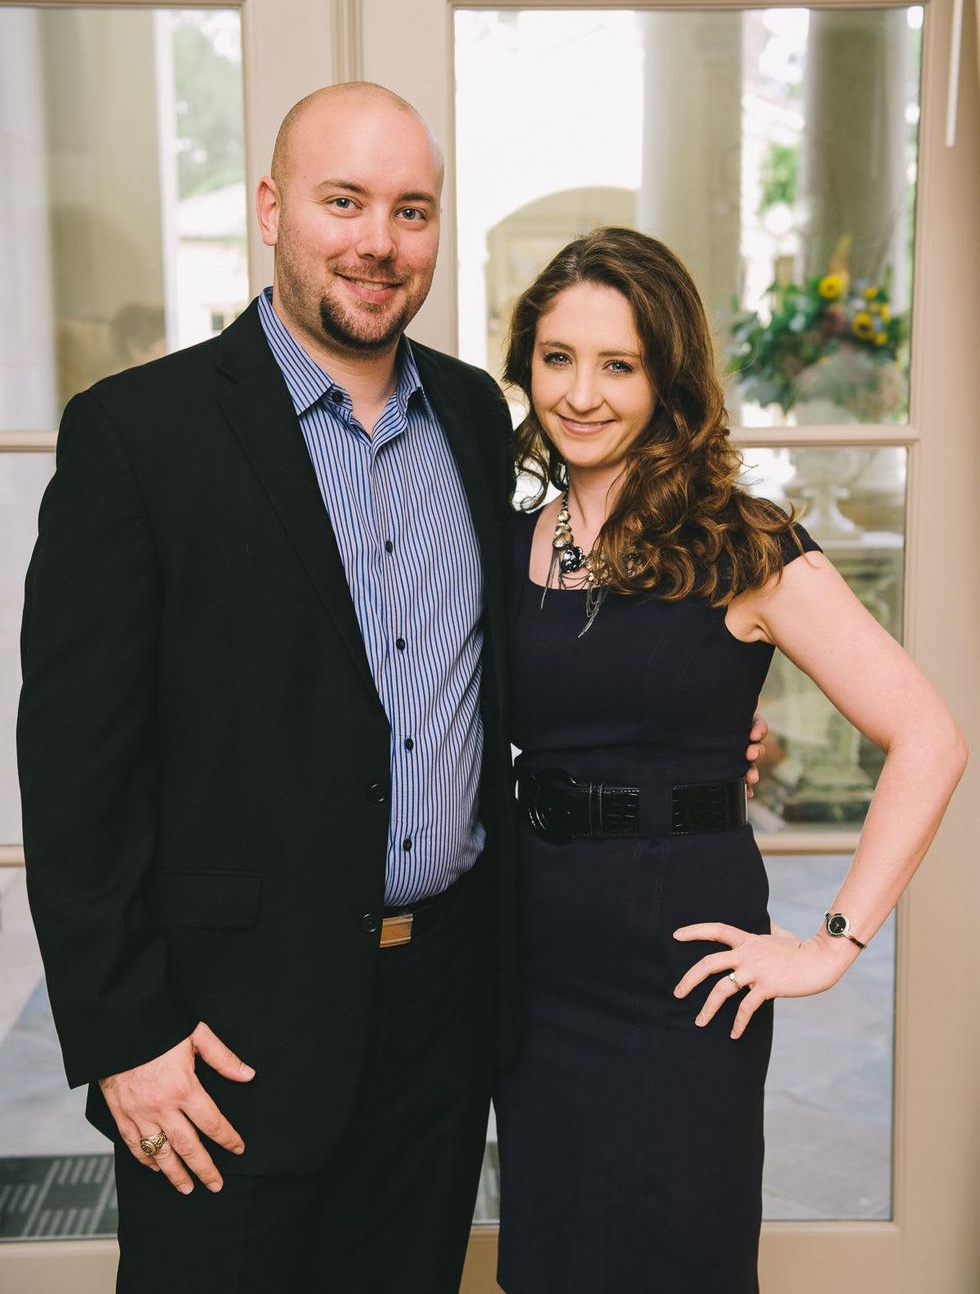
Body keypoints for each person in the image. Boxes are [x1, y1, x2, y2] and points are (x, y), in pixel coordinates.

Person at [18, 87, 766, 1291]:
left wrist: (682, 736)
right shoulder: (136, 435)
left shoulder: (476, 416)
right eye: (343, 201)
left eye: (410, 210)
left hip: (446, 1009)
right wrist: (124, 1035)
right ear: (271, 210)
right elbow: (72, 773)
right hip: (222, 1034)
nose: (378, 240)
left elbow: (527, 651)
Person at [492, 227, 967, 1293]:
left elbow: (928, 738)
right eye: (557, 356)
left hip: (680, 967)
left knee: (675, 1254)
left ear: (667, 376)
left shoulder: (743, 544)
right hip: (532, 957)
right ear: (525, 361)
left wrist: (828, 943)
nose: (579, 392)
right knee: (549, 1260)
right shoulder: (509, 533)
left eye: (617, 363)